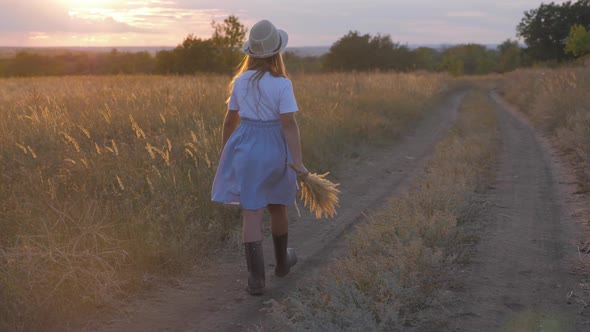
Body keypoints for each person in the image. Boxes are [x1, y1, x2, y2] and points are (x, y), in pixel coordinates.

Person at [211, 19, 308, 295]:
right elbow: (288, 123)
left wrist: (224, 150)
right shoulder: (282, 84)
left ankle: (256, 280)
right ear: (277, 52)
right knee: (278, 205)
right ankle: (281, 264)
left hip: (246, 147)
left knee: (251, 211)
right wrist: (298, 162)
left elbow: (230, 120)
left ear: (251, 53)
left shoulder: (240, 81)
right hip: (275, 147)